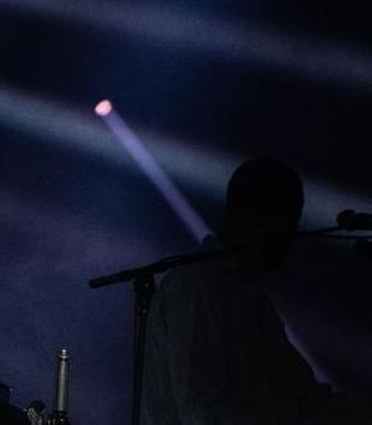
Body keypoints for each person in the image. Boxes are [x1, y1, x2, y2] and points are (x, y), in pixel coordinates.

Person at [142, 157, 366, 424]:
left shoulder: (247, 297)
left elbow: (305, 402)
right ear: (261, 216)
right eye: (290, 217)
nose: (292, 234)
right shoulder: (198, 286)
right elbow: (204, 409)